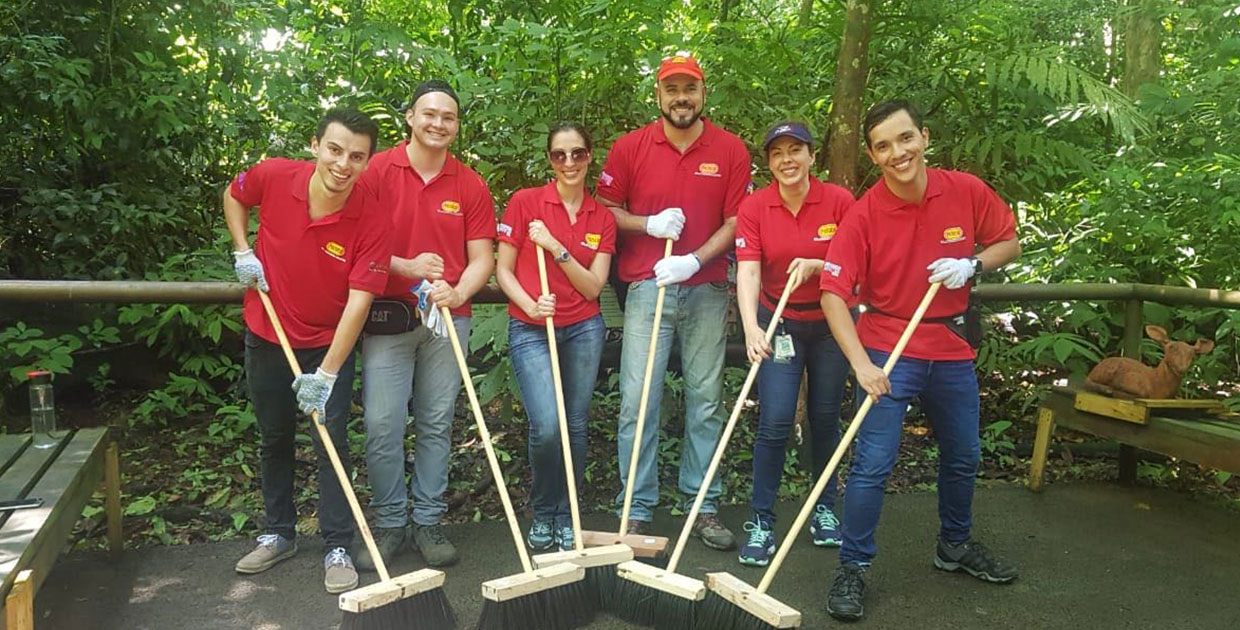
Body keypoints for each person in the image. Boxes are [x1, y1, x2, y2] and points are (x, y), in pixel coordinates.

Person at [818, 100, 1022, 621]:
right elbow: (833, 294)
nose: (897, 153)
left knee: (964, 456)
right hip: (887, 347)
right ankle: (853, 567)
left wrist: (971, 263)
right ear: (872, 154)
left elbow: (1007, 242)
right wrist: (862, 364)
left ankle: (954, 546)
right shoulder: (864, 213)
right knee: (872, 464)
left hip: (950, 346)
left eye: (904, 139)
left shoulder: (965, 190)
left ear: (924, 137)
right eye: (883, 146)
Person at [225, 108, 391, 594]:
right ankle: (278, 533)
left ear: (367, 162)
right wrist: (242, 249)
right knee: (274, 436)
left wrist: (329, 375)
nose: (343, 164)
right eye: (335, 150)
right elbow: (234, 197)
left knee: (330, 441)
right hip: (267, 332)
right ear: (315, 144)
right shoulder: (275, 176)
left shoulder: (372, 216)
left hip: (327, 345)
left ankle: (336, 544)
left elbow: (360, 301)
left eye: (356, 157)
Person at [597, 53, 752, 549]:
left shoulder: (730, 150)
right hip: (648, 287)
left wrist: (695, 259)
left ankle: (701, 505)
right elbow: (604, 210)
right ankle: (636, 508)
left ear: (704, 93)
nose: (681, 98)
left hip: (706, 288)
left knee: (706, 400)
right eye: (671, 89)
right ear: (658, 95)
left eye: (689, 89)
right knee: (638, 401)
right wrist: (648, 225)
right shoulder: (630, 148)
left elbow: (737, 221)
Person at [356, 80, 496, 570]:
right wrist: (407, 266)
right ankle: (391, 521)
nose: (438, 123)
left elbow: (482, 258)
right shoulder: (377, 170)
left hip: (448, 320)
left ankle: (429, 519)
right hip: (387, 318)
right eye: (429, 114)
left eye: (449, 117)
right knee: (381, 422)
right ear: (411, 118)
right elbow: (356, 242)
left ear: (457, 126)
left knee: (437, 423)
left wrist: (460, 291)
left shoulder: (470, 183)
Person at [734, 121, 855, 567]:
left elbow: (858, 261)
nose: (787, 160)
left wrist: (821, 262)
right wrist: (751, 327)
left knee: (824, 416)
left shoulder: (839, 201)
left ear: (810, 156)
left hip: (830, 323)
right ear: (769, 163)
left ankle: (823, 508)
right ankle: (762, 519)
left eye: (795, 150)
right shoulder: (755, 206)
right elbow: (747, 269)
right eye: (777, 153)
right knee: (776, 420)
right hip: (778, 322)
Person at [495, 122, 616, 552]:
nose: (569, 162)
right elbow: (502, 271)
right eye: (559, 155)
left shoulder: (601, 217)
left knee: (576, 425)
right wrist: (529, 305)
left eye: (578, 154)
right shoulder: (526, 202)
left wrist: (557, 249)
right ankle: (543, 508)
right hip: (531, 327)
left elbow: (593, 288)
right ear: (550, 159)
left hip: (583, 327)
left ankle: (568, 513)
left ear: (589, 157)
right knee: (547, 426)